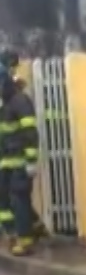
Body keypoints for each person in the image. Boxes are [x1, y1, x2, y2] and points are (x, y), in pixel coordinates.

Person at [0, 48, 49, 242]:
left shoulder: (20, 101)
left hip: (20, 162)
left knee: (19, 199)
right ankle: (27, 229)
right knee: (11, 200)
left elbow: (30, 133)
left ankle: (24, 239)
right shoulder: (6, 104)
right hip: (7, 162)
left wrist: (31, 161)